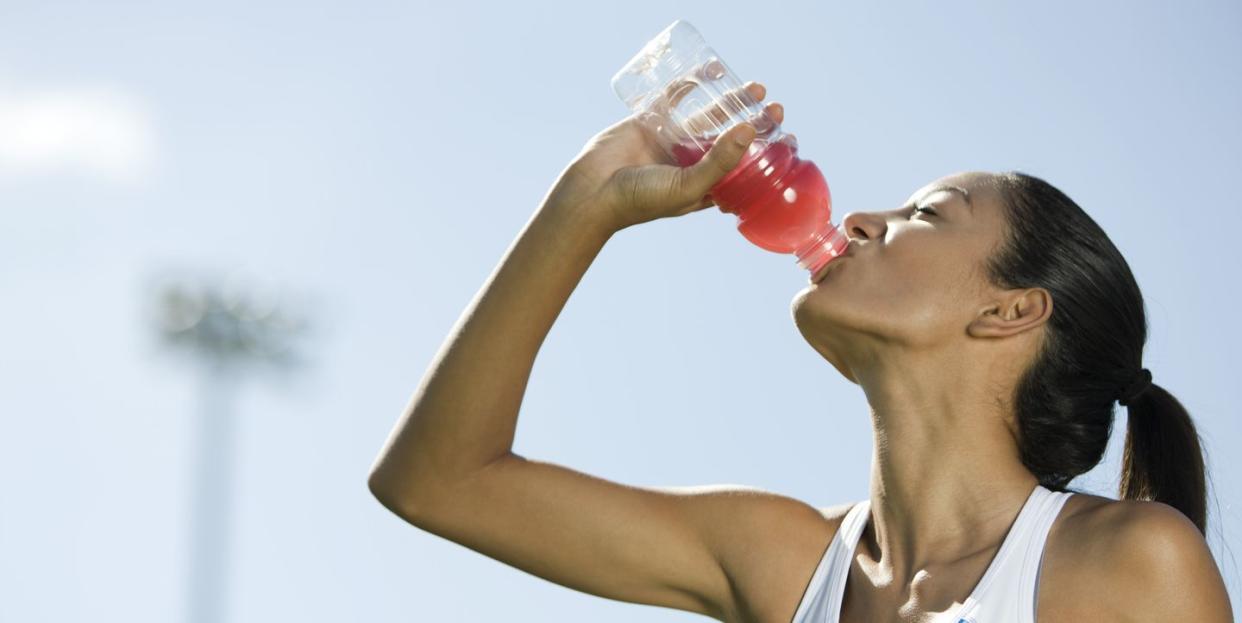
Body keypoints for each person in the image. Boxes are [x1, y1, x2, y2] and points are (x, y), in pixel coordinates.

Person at [367, 81, 1233, 621]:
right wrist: (590, 199)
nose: (860, 219)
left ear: (1010, 311)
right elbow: (437, 480)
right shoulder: (783, 561)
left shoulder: (1127, 562)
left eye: (924, 213)